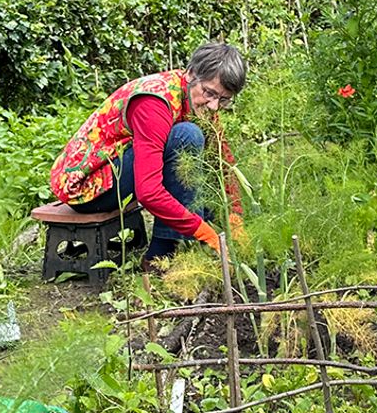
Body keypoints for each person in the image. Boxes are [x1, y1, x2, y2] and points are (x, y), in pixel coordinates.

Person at [49, 42, 248, 261]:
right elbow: (149, 191)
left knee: (200, 158)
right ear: (191, 74)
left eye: (224, 100)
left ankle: (189, 245)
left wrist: (235, 214)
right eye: (209, 93)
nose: (214, 106)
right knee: (187, 137)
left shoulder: (200, 100)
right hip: (88, 187)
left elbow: (222, 158)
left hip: (123, 169)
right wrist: (202, 231)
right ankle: (160, 257)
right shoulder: (154, 102)